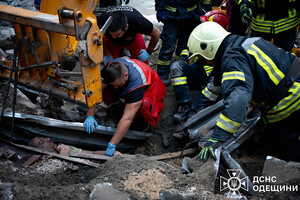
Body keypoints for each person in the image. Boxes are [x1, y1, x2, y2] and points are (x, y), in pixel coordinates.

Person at [187, 22, 300, 162]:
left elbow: (238, 99)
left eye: (202, 57)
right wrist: (196, 108)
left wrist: (218, 136)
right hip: (294, 83)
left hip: (291, 97)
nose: (205, 62)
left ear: (208, 49)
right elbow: (223, 86)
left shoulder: (231, 58)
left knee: (279, 150)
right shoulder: (241, 43)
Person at [83, 57, 166, 157]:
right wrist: (90, 116)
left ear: (126, 76)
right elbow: (95, 92)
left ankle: (142, 122)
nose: (115, 88)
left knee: (144, 105)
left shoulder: (137, 85)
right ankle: (118, 109)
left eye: (117, 84)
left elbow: (128, 118)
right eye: (114, 85)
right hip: (129, 83)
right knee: (107, 90)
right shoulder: (109, 70)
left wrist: (112, 144)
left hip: (152, 88)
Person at [170, 10, 229, 123]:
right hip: (198, 73)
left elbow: (216, 85)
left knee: (214, 88)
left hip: (214, 80)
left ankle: (195, 109)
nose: (202, 26)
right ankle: (184, 105)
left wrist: (195, 108)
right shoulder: (201, 35)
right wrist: (183, 60)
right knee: (176, 66)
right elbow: (187, 49)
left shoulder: (226, 49)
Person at [155, 0, 212, 85]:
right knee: (168, 45)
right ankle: (162, 74)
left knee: (185, 46)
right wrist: (160, 9)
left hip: (190, 16)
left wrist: (207, 9)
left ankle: (179, 70)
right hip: (171, 16)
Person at [28, 137, 120, 156]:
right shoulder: (43, 163)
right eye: (42, 142)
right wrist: (64, 153)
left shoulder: (63, 147)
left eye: (44, 138)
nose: (48, 139)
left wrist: (112, 153)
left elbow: (92, 153)